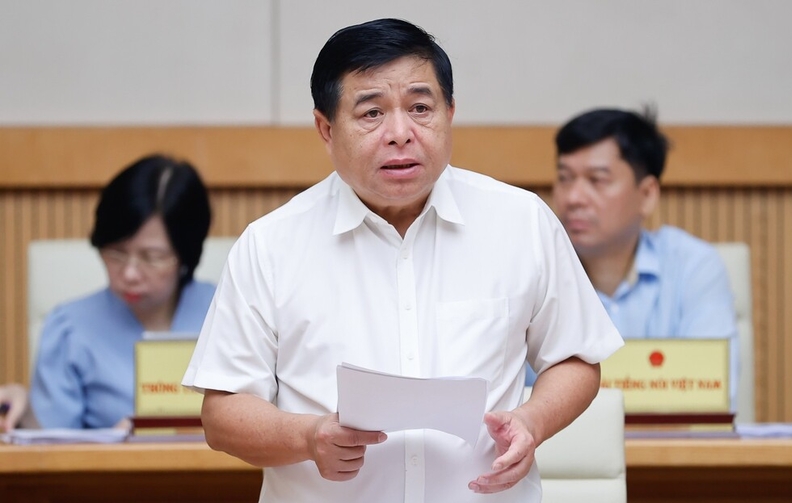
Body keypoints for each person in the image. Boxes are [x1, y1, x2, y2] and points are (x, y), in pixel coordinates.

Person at [182, 18, 622, 502]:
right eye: (371, 113)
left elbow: (576, 357)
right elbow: (222, 414)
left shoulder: (521, 222)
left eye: (420, 108)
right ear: (326, 128)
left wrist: (532, 421)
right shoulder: (270, 245)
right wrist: (306, 438)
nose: (400, 133)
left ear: (450, 112)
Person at [526, 107, 738, 408]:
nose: (573, 198)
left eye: (597, 180)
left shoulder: (694, 267)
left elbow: (714, 395)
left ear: (647, 194)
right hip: (558, 455)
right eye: (565, 178)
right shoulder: (533, 268)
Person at [29, 154, 215, 429]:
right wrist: (107, 449)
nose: (129, 274)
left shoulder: (228, 312)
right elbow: (51, 453)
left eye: (151, 257)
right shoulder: (68, 328)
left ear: (186, 255)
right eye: (116, 253)